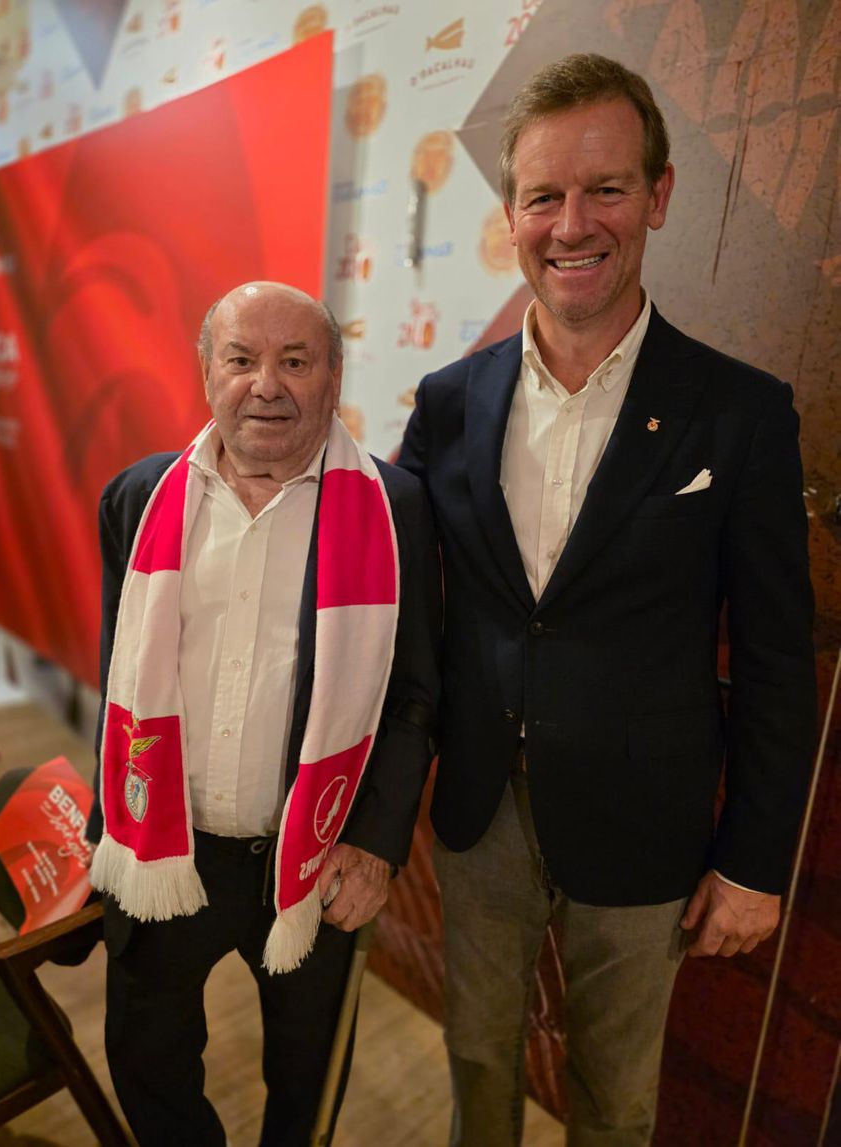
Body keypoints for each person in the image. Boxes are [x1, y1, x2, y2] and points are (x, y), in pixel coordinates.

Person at [398, 53, 816, 1147]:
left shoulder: (740, 413)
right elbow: (387, 607)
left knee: (618, 1102)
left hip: (648, 827)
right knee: (477, 1064)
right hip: (477, 811)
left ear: (659, 195)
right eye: (542, 195)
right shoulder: (447, 404)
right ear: (511, 215)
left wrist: (752, 861)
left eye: (606, 189)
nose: (571, 223)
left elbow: (775, 657)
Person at [86, 281, 441, 1147]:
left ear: (335, 375)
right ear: (208, 371)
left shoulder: (394, 508)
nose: (266, 385)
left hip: (314, 854)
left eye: (296, 361)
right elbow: (118, 675)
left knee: (308, 1078)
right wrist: (108, 825)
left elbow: (415, 692)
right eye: (241, 359)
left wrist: (375, 841)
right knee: (147, 1057)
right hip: (169, 845)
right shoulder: (138, 497)